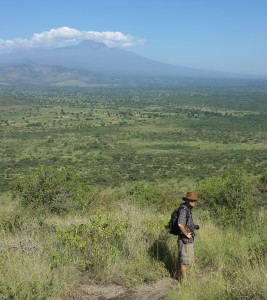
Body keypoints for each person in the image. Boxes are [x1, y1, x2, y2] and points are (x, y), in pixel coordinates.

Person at [177, 191, 199, 281]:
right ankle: (184, 282)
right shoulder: (184, 210)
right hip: (185, 240)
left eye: (194, 200)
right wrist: (186, 234)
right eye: (191, 200)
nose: (193, 202)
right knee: (185, 261)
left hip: (185, 239)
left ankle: (180, 277)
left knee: (182, 259)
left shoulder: (187, 209)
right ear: (187, 200)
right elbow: (180, 224)